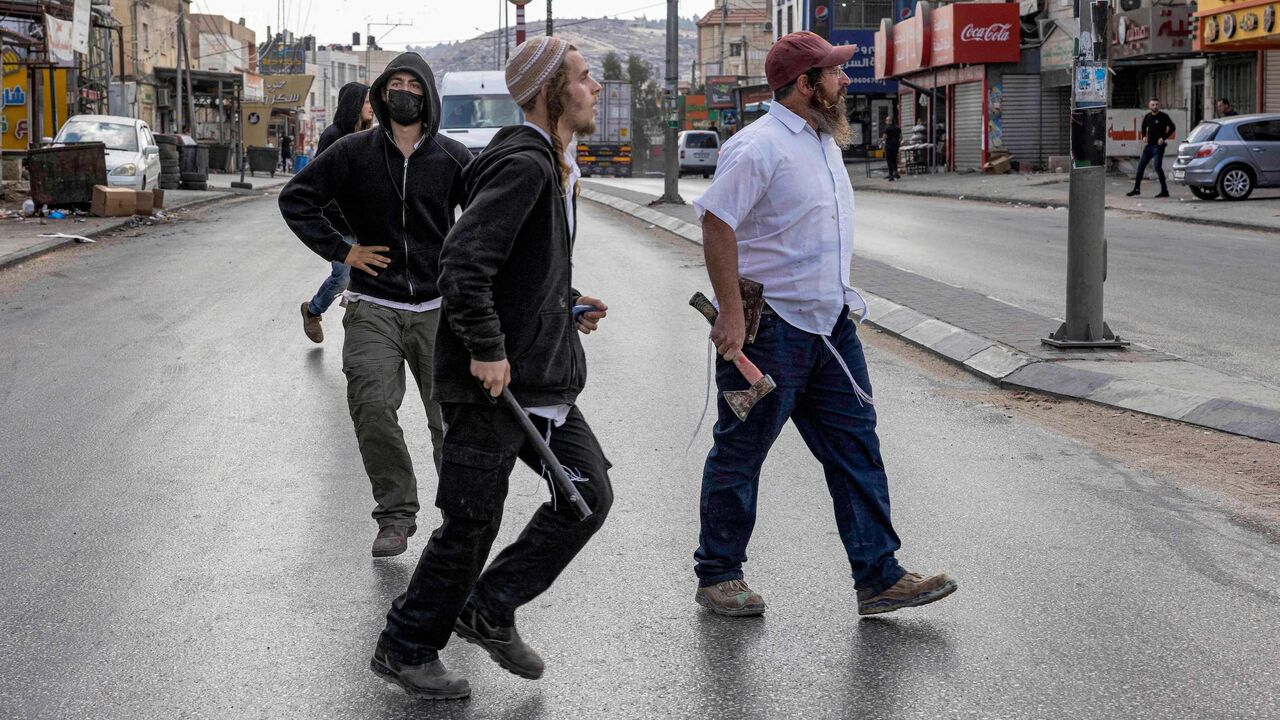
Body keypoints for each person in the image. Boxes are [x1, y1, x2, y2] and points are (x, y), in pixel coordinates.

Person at [369, 36, 611, 700]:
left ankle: (490, 606)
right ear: (551, 92)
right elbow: (463, 262)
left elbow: (515, 267)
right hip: (494, 382)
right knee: (472, 521)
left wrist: (562, 304)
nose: (595, 89)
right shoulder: (526, 166)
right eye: (584, 78)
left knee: (587, 497)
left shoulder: (553, 165)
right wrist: (486, 347)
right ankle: (405, 647)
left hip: (538, 376)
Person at [690, 31, 957, 619]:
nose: (845, 81)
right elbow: (716, 221)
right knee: (740, 455)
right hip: (770, 332)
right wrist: (730, 310)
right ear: (806, 84)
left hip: (831, 328)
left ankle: (879, 577)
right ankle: (719, 575)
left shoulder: (824, 142)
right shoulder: (757, 146)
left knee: (857, 450)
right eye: (834, 73)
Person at [278, 53, 473, 558]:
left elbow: (491, 224)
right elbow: (296, 199)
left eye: (415, 84)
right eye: (396, 83)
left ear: (428, 95)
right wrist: (343, 251)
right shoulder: (352, 152)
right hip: (372, 305)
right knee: (371, 408)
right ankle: (395, 514)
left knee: (449, 421)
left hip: (438, 312)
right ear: (383, 93)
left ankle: (458, 519)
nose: (405, 91)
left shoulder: (453, 157)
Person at [300, 82, 373, 343]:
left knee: (365, 278)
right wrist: (340, 218)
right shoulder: (333, 136)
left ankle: (362, 334)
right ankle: (312, 311)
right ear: (354, 104)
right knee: (343, 276)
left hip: (364, 224)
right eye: (367, 102)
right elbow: (321, 183)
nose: (372, 107)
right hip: (340, 225)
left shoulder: (367, 135)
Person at [1127, 98, 1175, 198]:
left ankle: (1164, 191)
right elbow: (1143, 127)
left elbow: (1172, 127)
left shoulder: (1164, 116)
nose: (1155, 106)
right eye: (1153, 105)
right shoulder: (1148, 116)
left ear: (1159, 105)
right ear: (1149, 106)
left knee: (1157, 167)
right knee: (1141, 167)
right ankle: (1136, 189)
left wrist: (1163, 138)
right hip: (1149, 145)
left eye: (1157, 104)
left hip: (1158, 146)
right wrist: (1144, 136)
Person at [880, 113, 901, 181]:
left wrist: (880, 140)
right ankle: (895, 173)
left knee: (889, 160)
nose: (886, 121)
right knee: (894, 159)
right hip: (896, 145)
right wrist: (898, 143)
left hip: (889, 146)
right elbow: (901, 137)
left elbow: (884, 137)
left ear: (890, 121)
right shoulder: (898, 128)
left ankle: (891, 175)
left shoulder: (887, 128)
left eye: (887, 120)